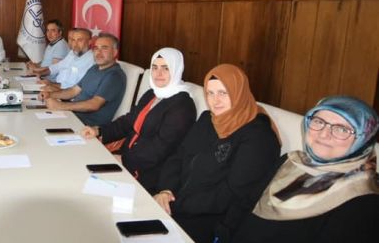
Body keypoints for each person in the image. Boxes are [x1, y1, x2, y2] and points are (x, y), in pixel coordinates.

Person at [153, 63, 280, 243]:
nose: (215, 100)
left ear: (238, 93)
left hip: (211, 222)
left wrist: (176, 203)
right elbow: (178, 157)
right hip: (175, 203)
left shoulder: (259, 137)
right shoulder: (208, 119)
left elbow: (231, 194)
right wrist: (166, 190)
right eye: (210, 93)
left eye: (223, 93)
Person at [233, 96, 379, 243]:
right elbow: (246, 205)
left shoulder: (364, 200)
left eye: (342, 129)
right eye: (319, 122)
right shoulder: (290, 162)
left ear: (364, 139)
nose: (324, 134)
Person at [81, 47, 196, 192]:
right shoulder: (152, 94)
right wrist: (99, 131)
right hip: (128, 157)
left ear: (176, 70)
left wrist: (124, 160)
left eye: (166, 68)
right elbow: (128, 121)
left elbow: (160, 148)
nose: (158, 74)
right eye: (155, 67)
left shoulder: (182, 106)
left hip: (149, 174)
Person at [40, 33, 126, 126]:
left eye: (104, 48)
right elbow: (73, 91)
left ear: (115, 52)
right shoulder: (94, 68)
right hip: (71, 115)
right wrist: (49, 95)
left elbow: (94, 104)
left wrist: (61, 106)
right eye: (96, 48)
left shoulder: (114, 75)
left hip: (86, 126)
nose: (98, 52)